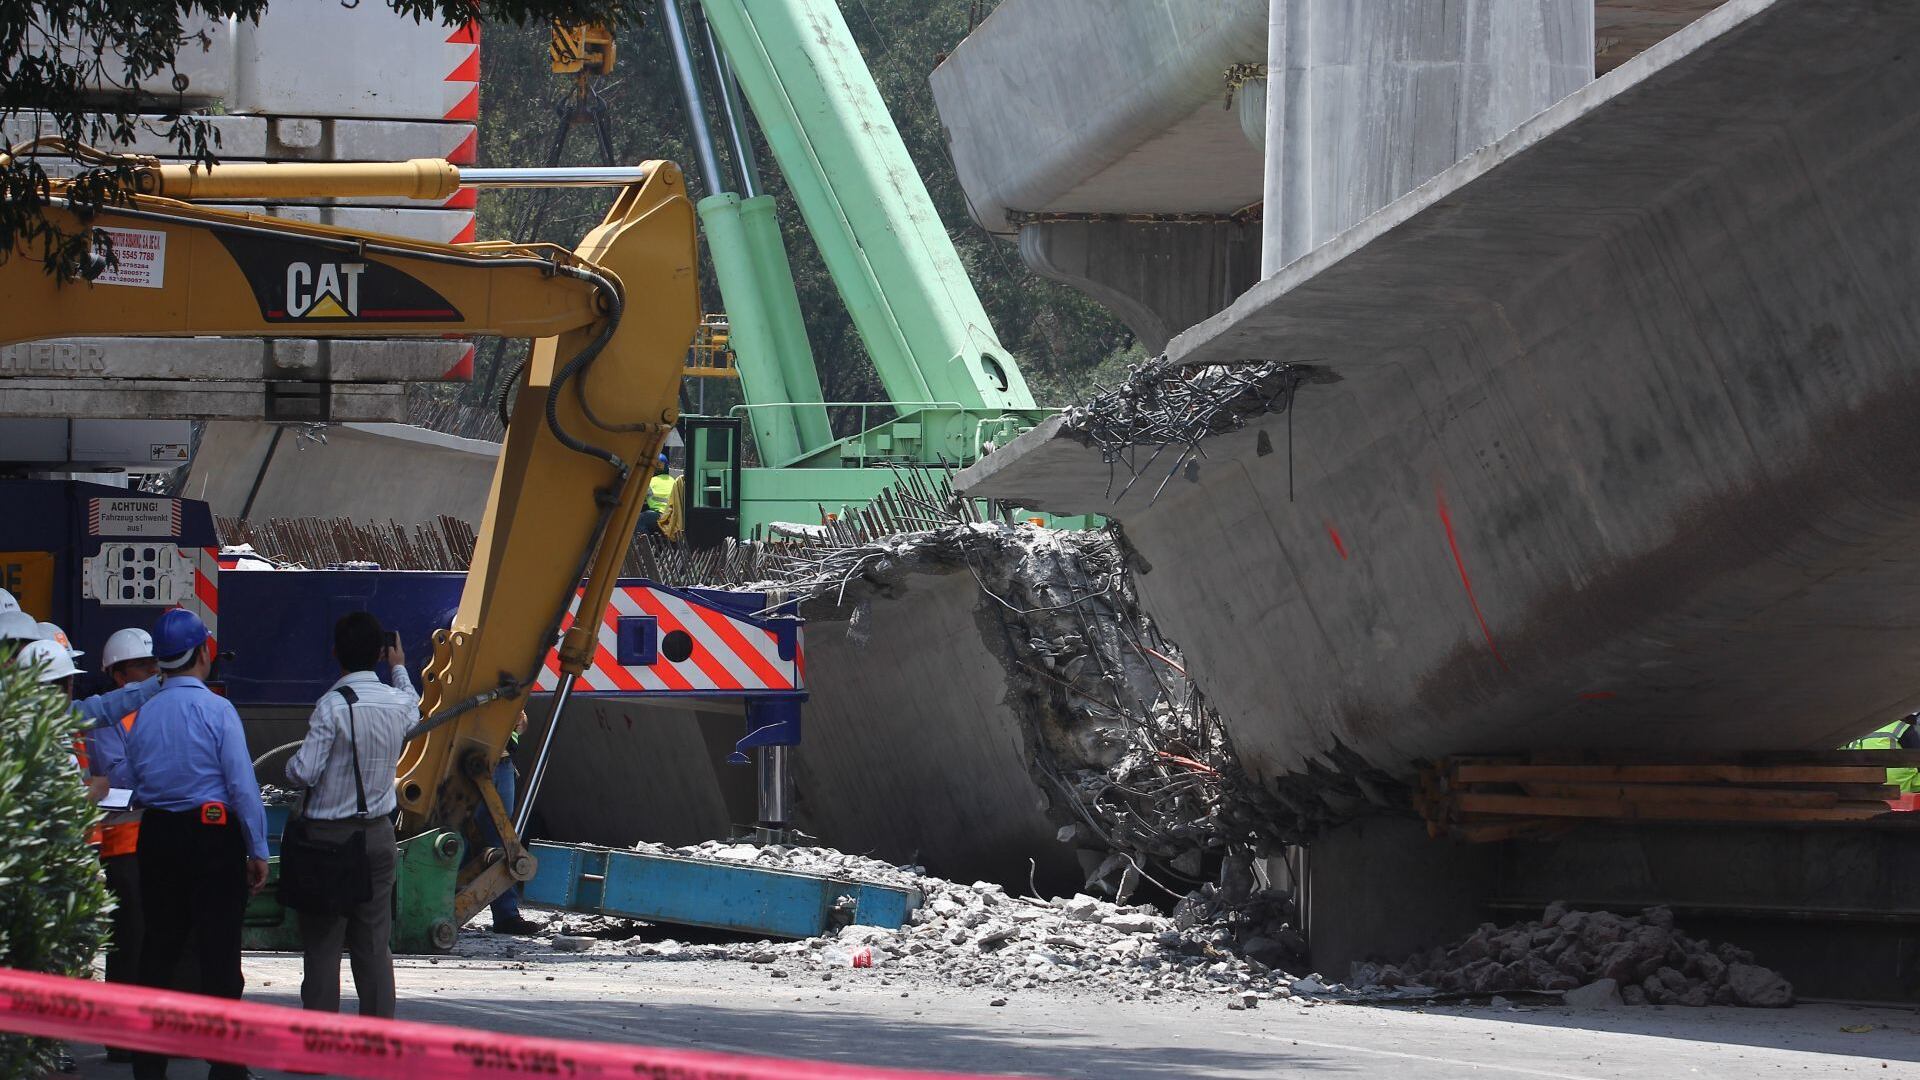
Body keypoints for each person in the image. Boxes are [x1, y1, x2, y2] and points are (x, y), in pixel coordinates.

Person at [122, 608, 268, 1080]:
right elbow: (242, 786)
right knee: (219, 954)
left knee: (158, 949)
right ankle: (225, 1066)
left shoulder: (144, 714)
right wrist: (257, 849)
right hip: (212, 837)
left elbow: (134, 777)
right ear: (203, 653)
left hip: (158, 835)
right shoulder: (216, 710)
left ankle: (148, 1066)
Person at [283, 613, 416, 1018]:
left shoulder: (332, 706)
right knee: (374, 943)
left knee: (324, 946)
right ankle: (376, 1039)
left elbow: (304, 772)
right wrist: (399, 667)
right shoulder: (398, 704)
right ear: (379, 653)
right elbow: (413, 703)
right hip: (378, 836)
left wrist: (290, 765)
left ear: (335, 653)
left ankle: (321, 1040)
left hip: (328, 841)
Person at [91, 627, 159, 1049]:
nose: (152, 672)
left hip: (158, 840)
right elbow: (117, 775)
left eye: (154, 665)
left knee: (158, 936)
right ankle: (121, 1038)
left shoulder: (161, 710)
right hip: (123, 843)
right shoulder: (105, 722)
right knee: (129, 938)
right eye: (142, 666)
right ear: (119, 675)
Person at [468, 710, 540, 935]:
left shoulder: (510, 692)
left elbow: (521, 723)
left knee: (503, 840)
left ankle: (506, 915)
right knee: (456, 836)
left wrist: (519, 722)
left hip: (501, 763)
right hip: (467, 762)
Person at [638, 453, 675, 535]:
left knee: (637, 520)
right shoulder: (673, 480)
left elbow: (639, 498)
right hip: (673, 517)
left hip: (659, 516)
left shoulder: (650, 481)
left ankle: (645, 542)